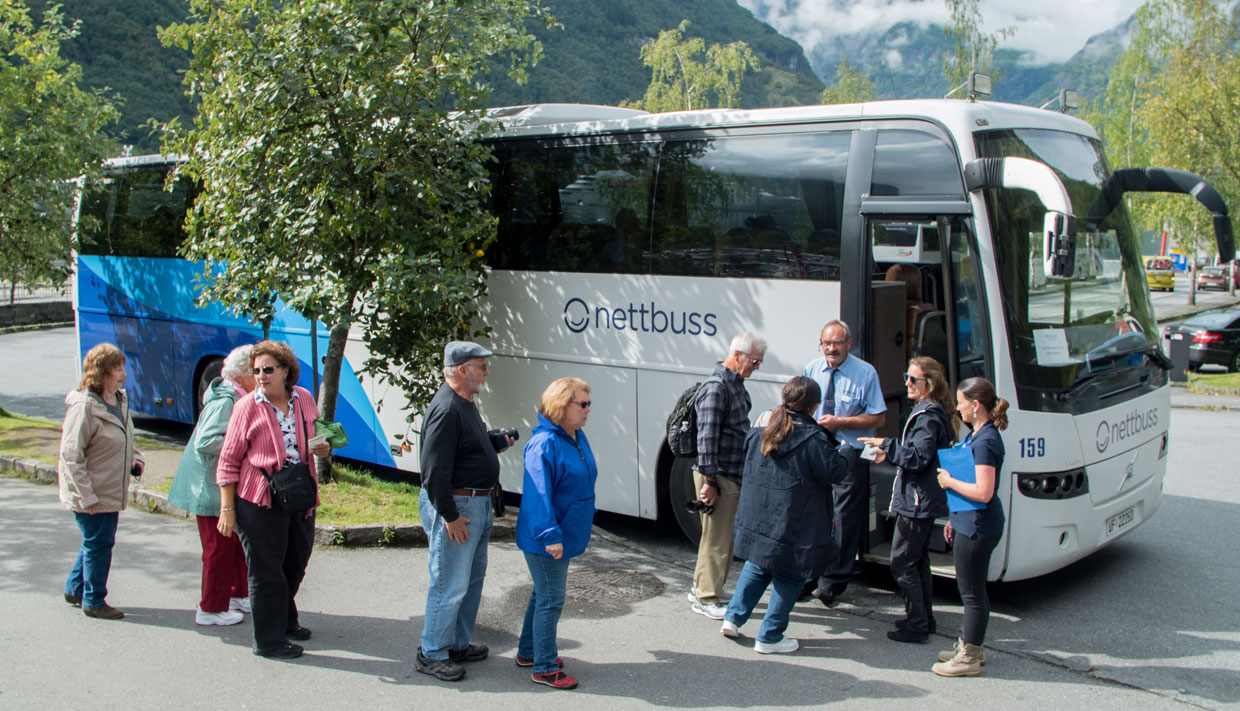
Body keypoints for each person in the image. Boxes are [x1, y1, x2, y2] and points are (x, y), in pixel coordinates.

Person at [721, 376, 855, 654]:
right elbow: (834, 472)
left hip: (759, 515)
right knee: (790, 573)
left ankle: (733, 619)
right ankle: (769, 636)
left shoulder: (763, 427)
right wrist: (847, 452)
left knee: (758, 565)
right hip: (793, 520)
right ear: (813, 406)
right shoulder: (815, 439)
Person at [216, 340, 331, 659]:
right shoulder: (246, 407)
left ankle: (286, 619)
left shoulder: (305, 399)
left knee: (296, 562)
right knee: (266, 571)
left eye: (268, 369)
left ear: (285, 371)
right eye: (256, 371)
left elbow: (319, 433)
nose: (261, 376)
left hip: (300, 494)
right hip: (258, 499)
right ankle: (268, 641)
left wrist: (323, 447)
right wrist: (227, 508)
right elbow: (227, 461)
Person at [416, 341, 513, 682]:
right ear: (462, 371)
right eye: (481, 366)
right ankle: (432, 652)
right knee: (449, 583)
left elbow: (461, 450)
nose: (486, 372)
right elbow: (433, 472)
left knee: (470, 581)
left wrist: (492, 442)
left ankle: (456, 643)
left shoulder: (465, 402)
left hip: (476, 503)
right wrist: (450, 517)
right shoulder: (447, 408)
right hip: (459, 508)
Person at [859, 356, 953, 644]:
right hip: (919, 498)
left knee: (902, 562)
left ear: (930, 385)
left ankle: (917, 624)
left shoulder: (927, 417)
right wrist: (889, 449)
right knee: (918, 559)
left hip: (916, 500)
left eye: (914, 379)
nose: (907, 383)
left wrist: (885, 445)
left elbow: (918, 457)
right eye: (907, 377)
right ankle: (924, 618)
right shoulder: (929, 412)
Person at [515, 377, 598, 690]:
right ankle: (545, 667)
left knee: (542, 594)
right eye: (583, 404)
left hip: (565, 530)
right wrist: (551, 536)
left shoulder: (575, 435)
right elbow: (538, 497)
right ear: (561, 407)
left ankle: (528, 652)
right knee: (551, 600)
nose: (589, 410)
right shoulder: (544, 444)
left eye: (589, 403)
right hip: (546, 537)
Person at [168, 344, 255, 626]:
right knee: (218, 549)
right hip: (209, 489)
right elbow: (206, 441)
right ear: (242, 375)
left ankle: (237, 594)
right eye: (256, 371)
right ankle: (211, 608)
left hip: (219, 486)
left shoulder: (234, 396)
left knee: (234, 546)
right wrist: (242, 446)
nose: (261, 377)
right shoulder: (226, 401)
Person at [803, 319, 887, 607]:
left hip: (850, 451)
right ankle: (808, 574)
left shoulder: (865, 373)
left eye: (837, 343)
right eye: (826, 343)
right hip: (817, 450)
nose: (831, 348)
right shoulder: (813, 369)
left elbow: (878, 418)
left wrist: (841, 422)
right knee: (814, 512)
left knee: (845, 517)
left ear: (849, 344)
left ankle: (833, 582)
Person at [59, 343, 145, 620]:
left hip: (109, 488)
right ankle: (94, 600)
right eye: (117, 368)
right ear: (101, 373)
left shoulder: (118, 400)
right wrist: (86, 497)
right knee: (99, 543)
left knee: (95, 541)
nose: (123, 374)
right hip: (92, 493)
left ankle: (75, 588)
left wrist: (136, 458)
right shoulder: (84, 407)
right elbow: (71, 455)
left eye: (123, 367)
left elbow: (126, 434)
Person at [932, 377, 1009, 676]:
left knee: (972, 594)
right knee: (973, 591)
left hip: (978, 526)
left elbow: (983, 492)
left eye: (962, 403)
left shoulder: (987, 441)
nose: (958, 408)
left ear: (976, 406)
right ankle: (971, 645)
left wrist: (949, 482)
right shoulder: (977, 434)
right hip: (969, 521)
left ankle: (970, 657)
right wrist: (954, 516)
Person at [688, 331, 767, 620]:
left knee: (717, 536)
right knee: (718, 539)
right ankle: (706, 597)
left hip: (727, 473)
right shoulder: (718, 387)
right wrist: (709, 482)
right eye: (755, 361)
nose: (756, 368)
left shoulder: (734, 384)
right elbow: (706, 439)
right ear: (738, 355)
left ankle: (701, 587)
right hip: (718, 475)